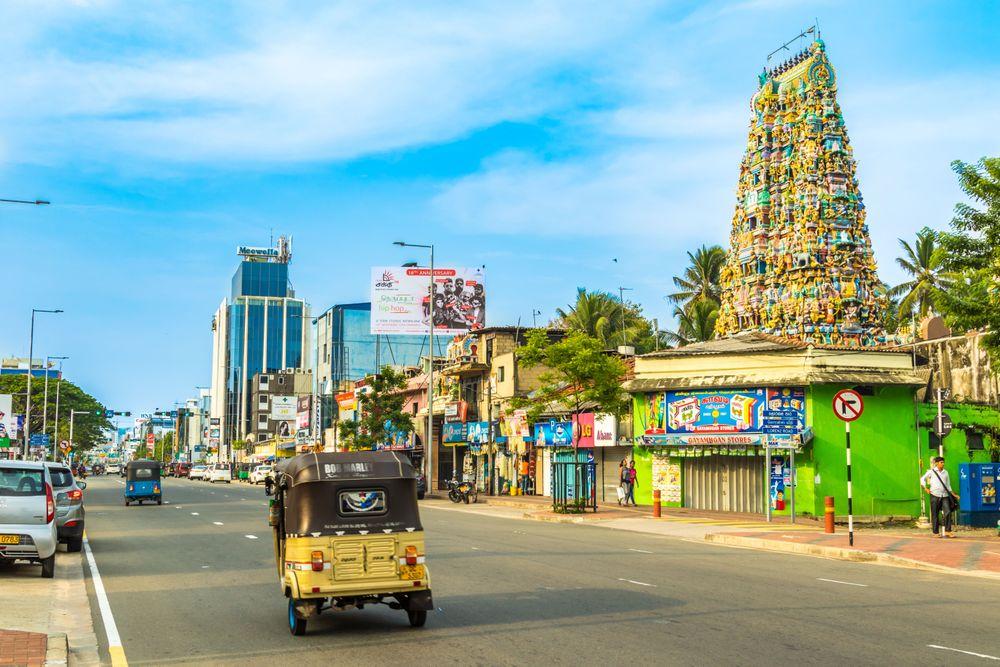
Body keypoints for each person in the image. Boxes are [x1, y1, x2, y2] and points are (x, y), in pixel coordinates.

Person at [920, 456, 960, 538]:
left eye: (943, 462)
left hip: (945, 495)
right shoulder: (931, 472)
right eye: (941, 462)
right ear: (937, 463)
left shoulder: (946, 472)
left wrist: (953, 494)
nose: (943, 464)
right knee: (935, 514)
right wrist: (925, 488)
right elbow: (922, 479)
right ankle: (935, 532)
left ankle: (948, 531)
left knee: (947, 512)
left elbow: (948, 485)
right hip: (934, 495)